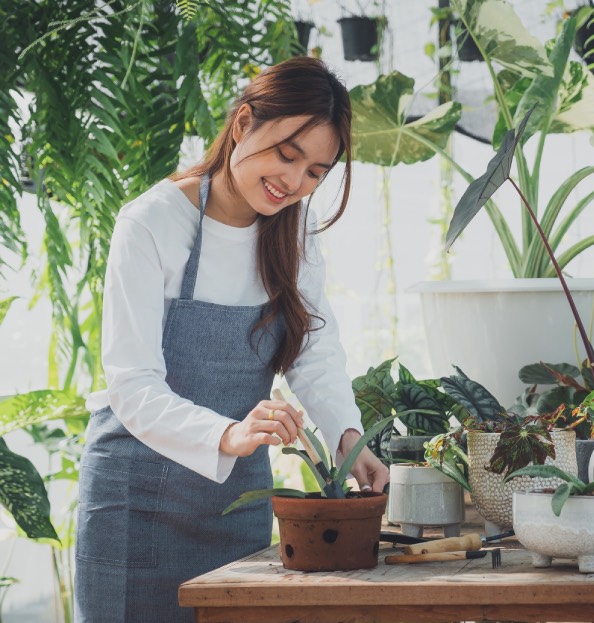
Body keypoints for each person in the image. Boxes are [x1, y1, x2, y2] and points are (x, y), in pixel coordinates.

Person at [75, 56, 388, 623]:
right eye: (286, 155)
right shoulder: (151, 222)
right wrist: (229, 432)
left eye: (316, 172)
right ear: (242, 123)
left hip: (233, 501)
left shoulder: (296, 233)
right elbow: (131, 383)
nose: (293, 182)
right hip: (134, 499)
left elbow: (313, 350)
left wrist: (348, 437)